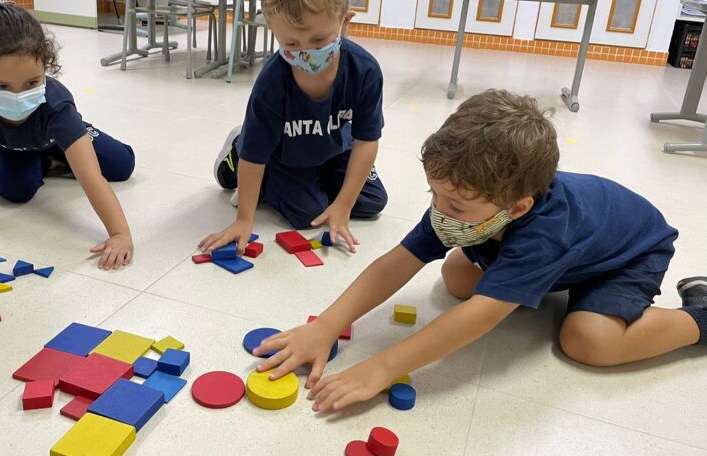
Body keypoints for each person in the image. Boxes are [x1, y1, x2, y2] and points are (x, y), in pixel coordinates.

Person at [254, 89, 705, 412]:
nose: (439, 209)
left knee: (587, 341)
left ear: (519, 206)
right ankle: (541, 281)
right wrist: (328, 325)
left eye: (454, 204)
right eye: (433, 193)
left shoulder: (543, 231)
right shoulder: (471, 202)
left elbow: (483, 317)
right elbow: (398, 261)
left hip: (630, 254)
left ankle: (699, 317)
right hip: (576, 246)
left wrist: (383, 366)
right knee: (456, 276)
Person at [0, 2, 135, 270]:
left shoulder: (57, 106)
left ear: (46, 65)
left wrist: (119, 234)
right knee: (16, 191)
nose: (18, 95)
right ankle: (41, 160)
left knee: (123, 164)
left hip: (54, 136)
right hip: (3, 141)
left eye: (32, 82)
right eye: (1, 86)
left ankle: (60, 150)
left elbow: (90, 175)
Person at [199, 0, 387, 256]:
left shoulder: (364, 71)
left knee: (371, 202)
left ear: (345, 21)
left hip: (337, 148)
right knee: (307, 214)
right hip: (284, 154)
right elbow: (256, 157)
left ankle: (324, 183)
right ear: (274, 32)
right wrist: (244, 219)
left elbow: (367, 141)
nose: (306, 53)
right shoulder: (272, 83)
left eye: (319, 39)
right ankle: (239, 144)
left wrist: (343, 204)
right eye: (291, 44)